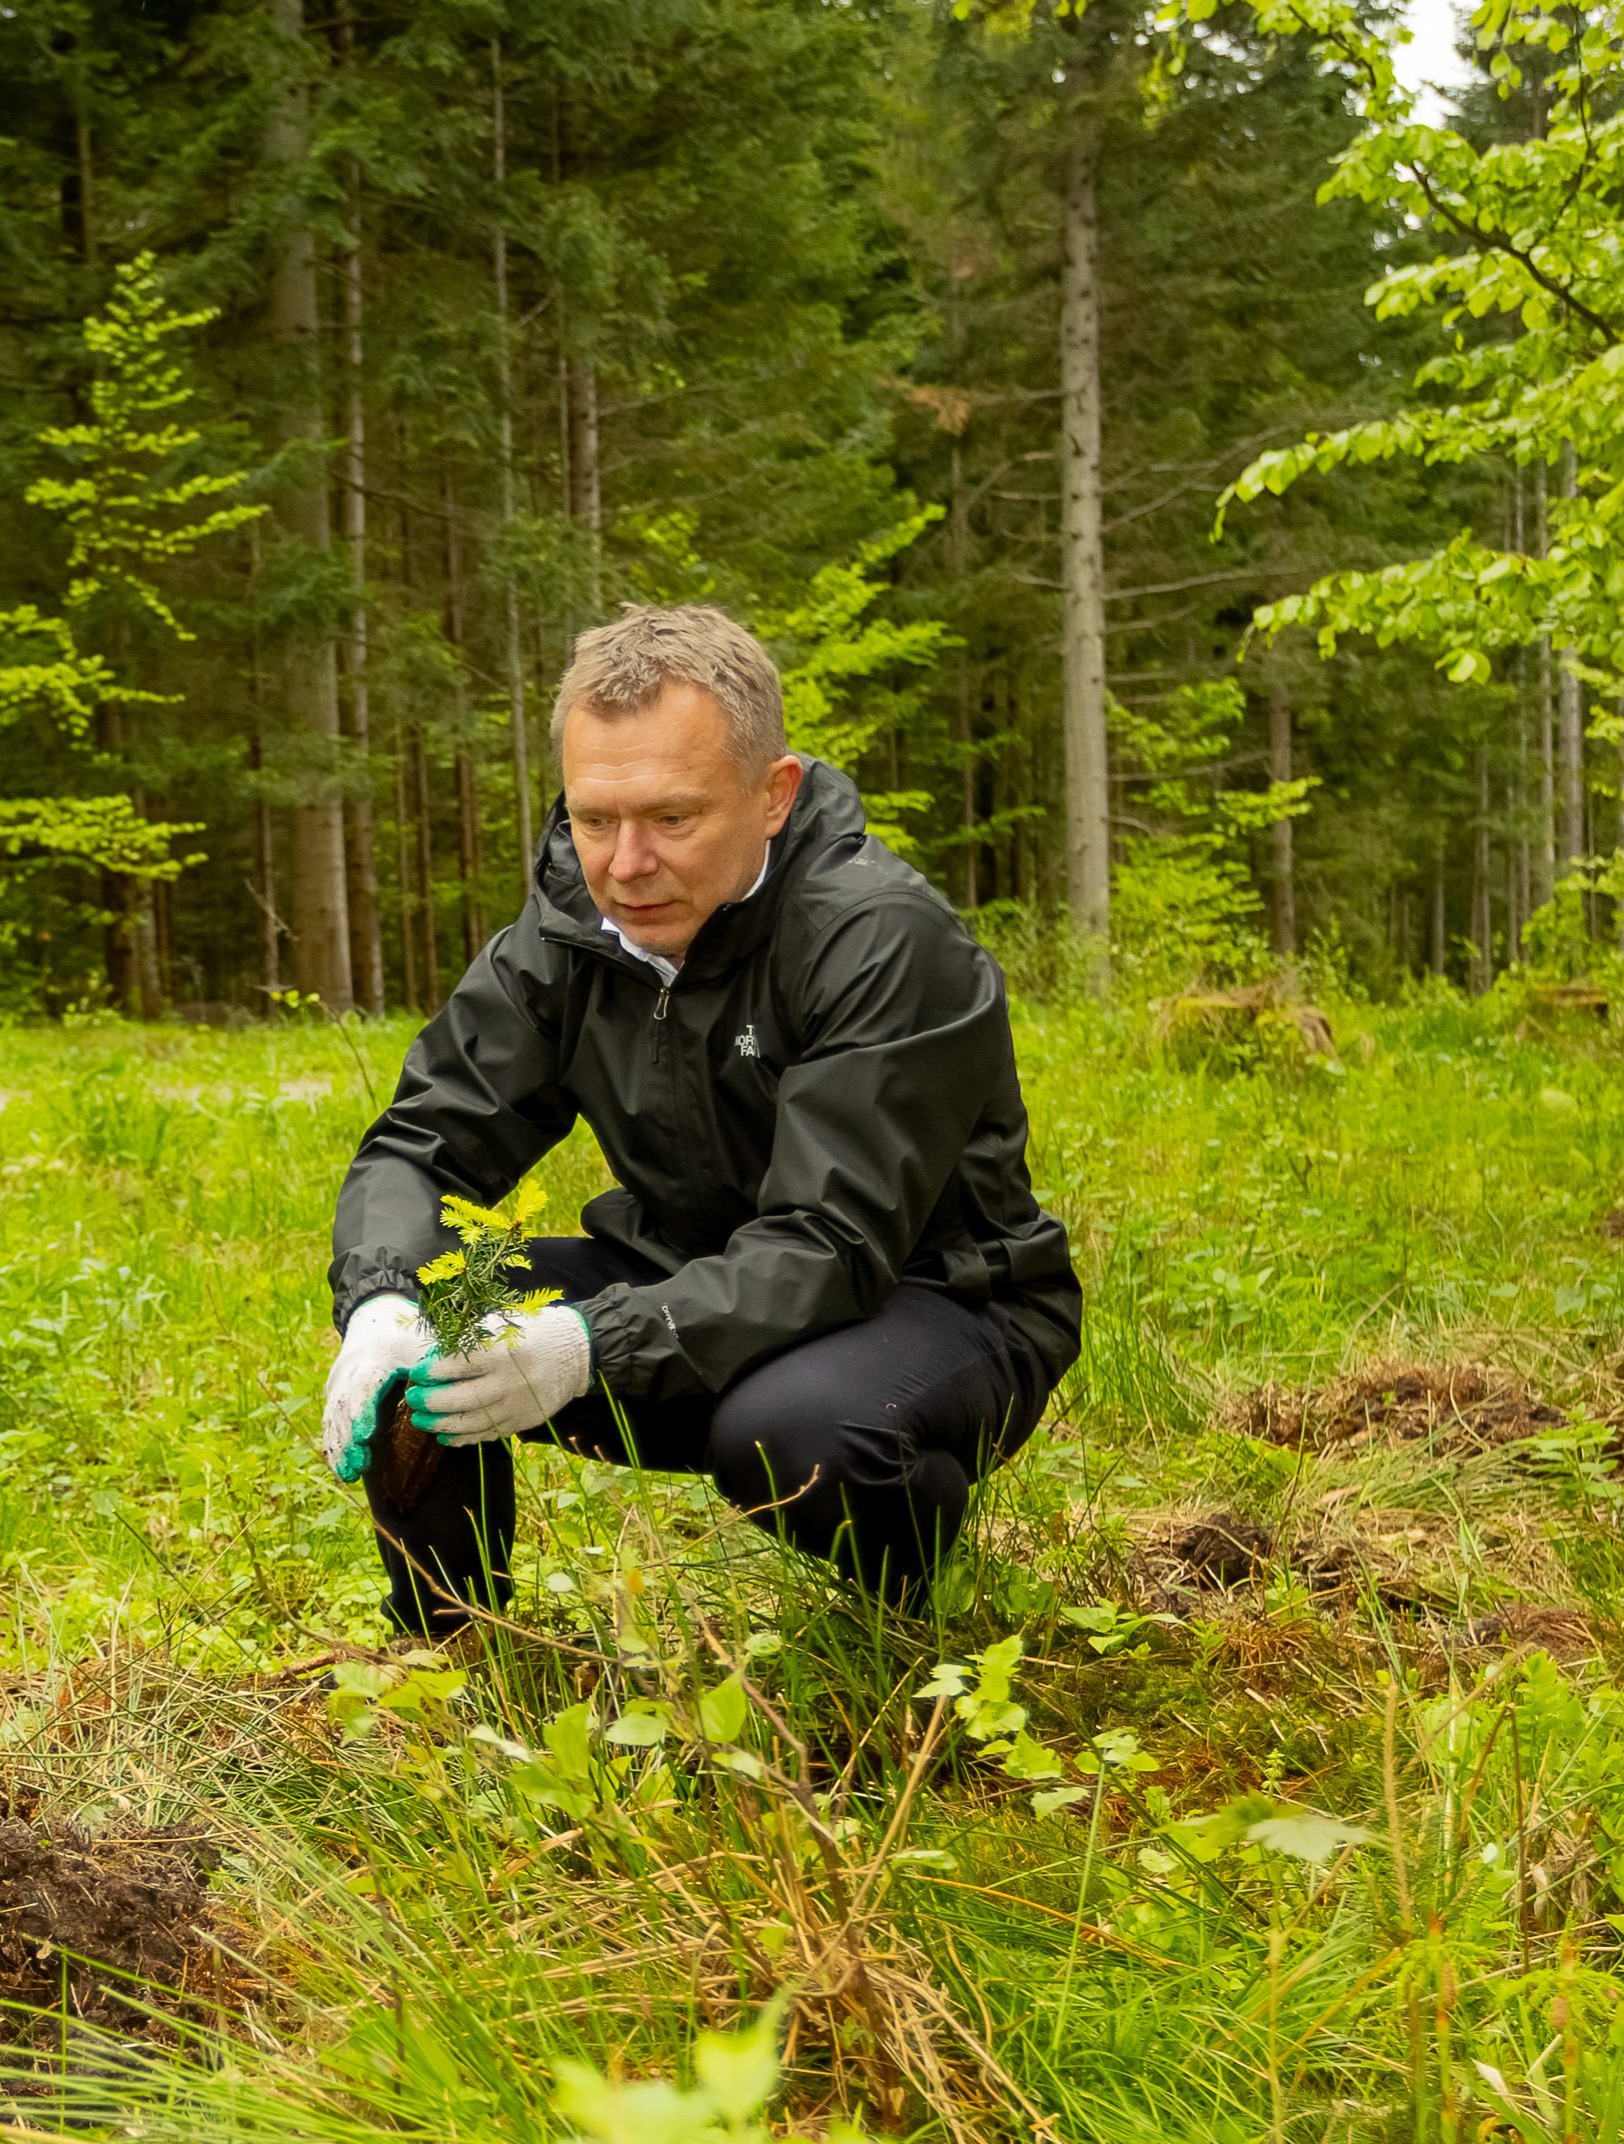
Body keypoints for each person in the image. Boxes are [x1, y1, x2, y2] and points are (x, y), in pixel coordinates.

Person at [320, 604, 1078, 1630]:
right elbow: (421, 1142)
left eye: (671, 819)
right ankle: (450, 1649)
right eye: (593, 820)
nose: (624, 866)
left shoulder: (875, 939)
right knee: (429, 1317)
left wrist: (590, 1344)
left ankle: (911, 1631)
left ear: (772, 796)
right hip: (684, 1270)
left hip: (929, 1297)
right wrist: (379, 1302)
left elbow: (827, 1244)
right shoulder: (570, 936)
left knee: (793, 1429)